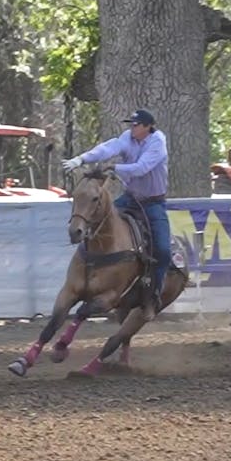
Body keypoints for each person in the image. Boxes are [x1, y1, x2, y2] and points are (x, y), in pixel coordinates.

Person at [61, 108, 170, 318]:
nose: (132, 128)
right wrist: (81, 159)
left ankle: (152, 296)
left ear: (148, 127)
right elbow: (108, 147)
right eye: (131, 124)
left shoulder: (157, 143)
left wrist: (114, 168)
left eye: (136, 125)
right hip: (130, 197)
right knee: (99, 221)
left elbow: (141, 168)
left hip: (152, 203)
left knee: (163, 251)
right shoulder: (127, 138)